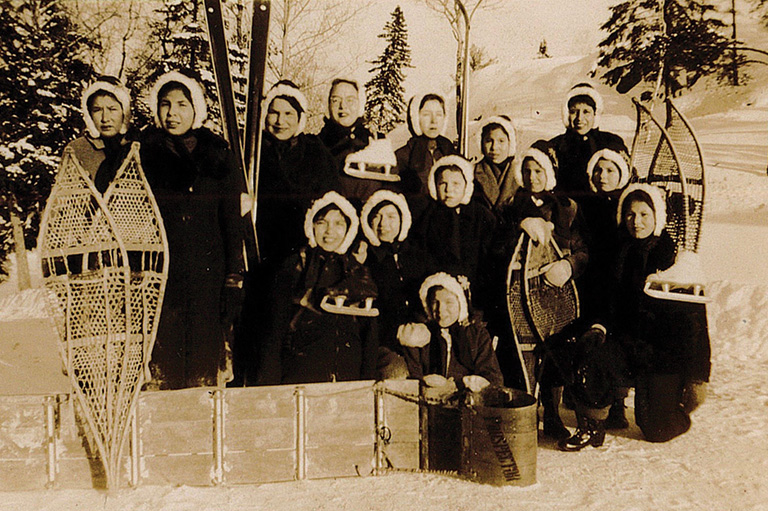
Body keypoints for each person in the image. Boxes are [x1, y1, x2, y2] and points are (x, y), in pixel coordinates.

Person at [139, 70, 245, 390]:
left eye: (182, 104)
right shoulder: (143, 154)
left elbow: (231, 220)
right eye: (166, 105)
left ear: (195, 108)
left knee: (203, 369)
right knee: (165, 368)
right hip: (162, 279)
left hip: (207, 278)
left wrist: (233, 276)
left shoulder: (217, 155)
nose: (173, 113)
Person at [491, 140, 588, 440]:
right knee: (520, 354)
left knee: (554, 351)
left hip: (555, 294)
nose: (533, 177)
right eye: (527, 170)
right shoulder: (510, 207)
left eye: (539, 170)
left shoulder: (567, 209)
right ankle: (524, 410)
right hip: (518, 296)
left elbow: (584, 249)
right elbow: (495, 247)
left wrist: (570, 265)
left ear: (550, 174)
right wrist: (519, 226)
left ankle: (553, 412)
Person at [256, 191, 379, 385]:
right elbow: (273, 332)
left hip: (348, 377)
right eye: (323, 223)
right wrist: (269, 387)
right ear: (311, 225)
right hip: (301, 374)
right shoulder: (295, 266)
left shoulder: (357, 270)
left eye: (338, 223)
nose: (330, 232)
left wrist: (368, 382)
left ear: (349, 228)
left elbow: (369, 335)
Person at [358, 190, 428, 379]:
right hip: (384, 341)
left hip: (420, 336)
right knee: (397, 373)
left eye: (391, 216)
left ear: (402, 219)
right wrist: (394, 333)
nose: (384, 224)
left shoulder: (417, 254)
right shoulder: (364, 258)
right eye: (377, 217)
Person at [411, 155, 496, 308]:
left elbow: (490, 257)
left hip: (476, 292)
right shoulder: (426, 217)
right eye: (443, 183)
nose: (449, 190)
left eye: (456, 183)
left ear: (466, 186)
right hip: (438, 292)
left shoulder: (482, 216)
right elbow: (420, 257)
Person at [398, 272, 503, 392]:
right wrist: (426, 383)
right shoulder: (420, 335)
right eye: (435, 302)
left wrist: (459, 385)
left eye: (449, 302)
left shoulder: (476, 335)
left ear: (460, 304)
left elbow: (493, 378)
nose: (441, 310)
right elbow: (412, 378)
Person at [549, 83, 628, 202]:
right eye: (574, 111)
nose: (579, 118)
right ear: (566, 114)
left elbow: (625, 179)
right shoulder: (555, 145)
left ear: (595, 114)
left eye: (586, 112)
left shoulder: (611, 142)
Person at [65, 76, 134, 193]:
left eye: (112, 109)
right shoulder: (78, 149)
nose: (105, 118)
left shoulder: (138, 146)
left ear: (124, 112)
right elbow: (64, 199)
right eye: (97, 110)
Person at [317, 78, 381, 204]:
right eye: (336, 100)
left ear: (360, 104)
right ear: (328, 105)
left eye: (350, 100)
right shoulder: (316, 145)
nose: (343, 106)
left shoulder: (375, 142)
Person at [395, 92, 456, 213]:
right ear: (416, 117)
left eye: (438, 114)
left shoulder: (451, 154)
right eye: (426, 115)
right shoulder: (402, 156)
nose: (433, 121)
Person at [473, 115, 518, 214]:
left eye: (501, 141)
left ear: (510, 142)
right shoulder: (472, 172)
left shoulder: (520, 173)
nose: (494, 147)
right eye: (489, 141)